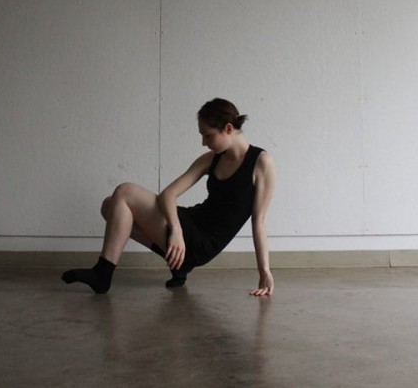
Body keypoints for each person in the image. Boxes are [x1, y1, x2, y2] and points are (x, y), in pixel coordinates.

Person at [62, 98, 276, 296]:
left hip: (203, 242)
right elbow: (168, 194)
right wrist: (176, 230)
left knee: (124, 192)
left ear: (228, 129)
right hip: (191, 223)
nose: (203, 142)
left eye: (208, 135)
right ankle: (178, 265)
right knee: (110, 206)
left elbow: (259, 222)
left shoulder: (261, 163)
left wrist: (264, 270)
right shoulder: (211, 159)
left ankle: (103, 273)